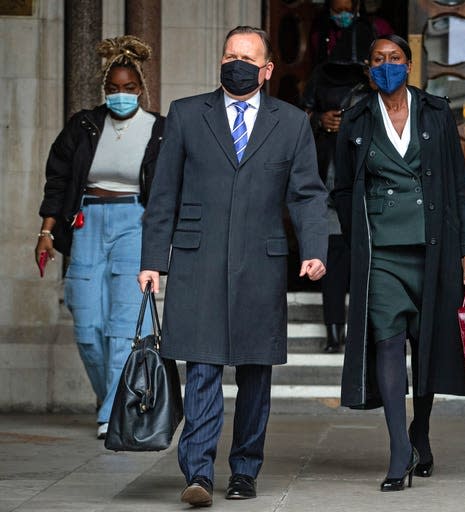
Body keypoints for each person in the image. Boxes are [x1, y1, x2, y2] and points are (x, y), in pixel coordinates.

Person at [137, 26, 328, 508]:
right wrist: (153, 261)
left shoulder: (291, 122)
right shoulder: (185, 114)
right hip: (197, 260)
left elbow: (307, 193)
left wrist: (315, 248)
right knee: (201, 367)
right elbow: (164, 195)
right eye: (229, 55)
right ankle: (198, 472)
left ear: (265, 70)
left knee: (255, 373)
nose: (235, 63)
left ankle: (244, 470)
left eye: (246, 57)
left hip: (261, 264)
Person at [332, 35, 465, 492]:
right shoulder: (356, 117)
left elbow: (458, 183)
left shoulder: (435, 113)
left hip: (433, 247)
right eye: (378, 60)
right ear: (368, 68)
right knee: (389, 342)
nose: (386, 66)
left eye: (394, 59)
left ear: (409, 64)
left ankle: (421, 430)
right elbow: (342, 188)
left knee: (429, 344)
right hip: (381, 253)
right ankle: (399, 449)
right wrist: (359, 237)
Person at [35, 36, 164, 440]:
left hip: (134, 223)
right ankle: (109, 397)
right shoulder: (84, 125)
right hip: (86, 222)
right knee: (88, 329)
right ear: (103, 90)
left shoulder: (160, 130)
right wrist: (46, 231)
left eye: (128, 88)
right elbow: (57, 180)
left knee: (123, 328)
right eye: (113, 88)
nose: (121, 95)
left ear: (140, 89)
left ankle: (111, 414)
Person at [303, 0, 387, 352]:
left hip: (368, 187)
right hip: (331, 183)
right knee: (334, 261)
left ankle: (366, 331)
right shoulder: (320, 76)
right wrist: (320, 121)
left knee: (368, 262)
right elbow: (301, 116)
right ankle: (334, 331)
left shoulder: (375, 87)